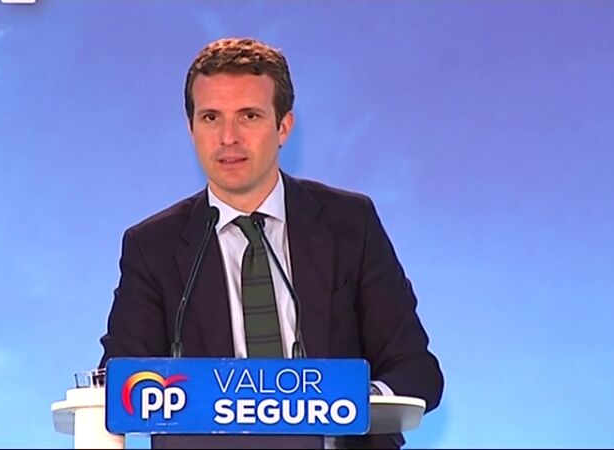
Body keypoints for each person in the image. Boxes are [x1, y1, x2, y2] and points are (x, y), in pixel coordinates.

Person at [99, 37, 444, 449]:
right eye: (210, 117)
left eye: (249, 115)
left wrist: (351, 403)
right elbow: (118, 383)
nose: (228, 137)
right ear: (191, 129)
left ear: (283, 127)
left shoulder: (351, 224)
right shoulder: (152, 246)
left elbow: (415, 369)